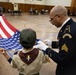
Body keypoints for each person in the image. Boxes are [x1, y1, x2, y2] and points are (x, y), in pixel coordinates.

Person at [37, 5, 76, 75]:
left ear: (59, 17)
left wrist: (45, 48)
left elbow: (61, 59)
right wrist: (51, 43)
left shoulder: (68, 33)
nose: (51, 22)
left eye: (51, 19)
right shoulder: (72, 25)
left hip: (68, 70)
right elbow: (68, 45)